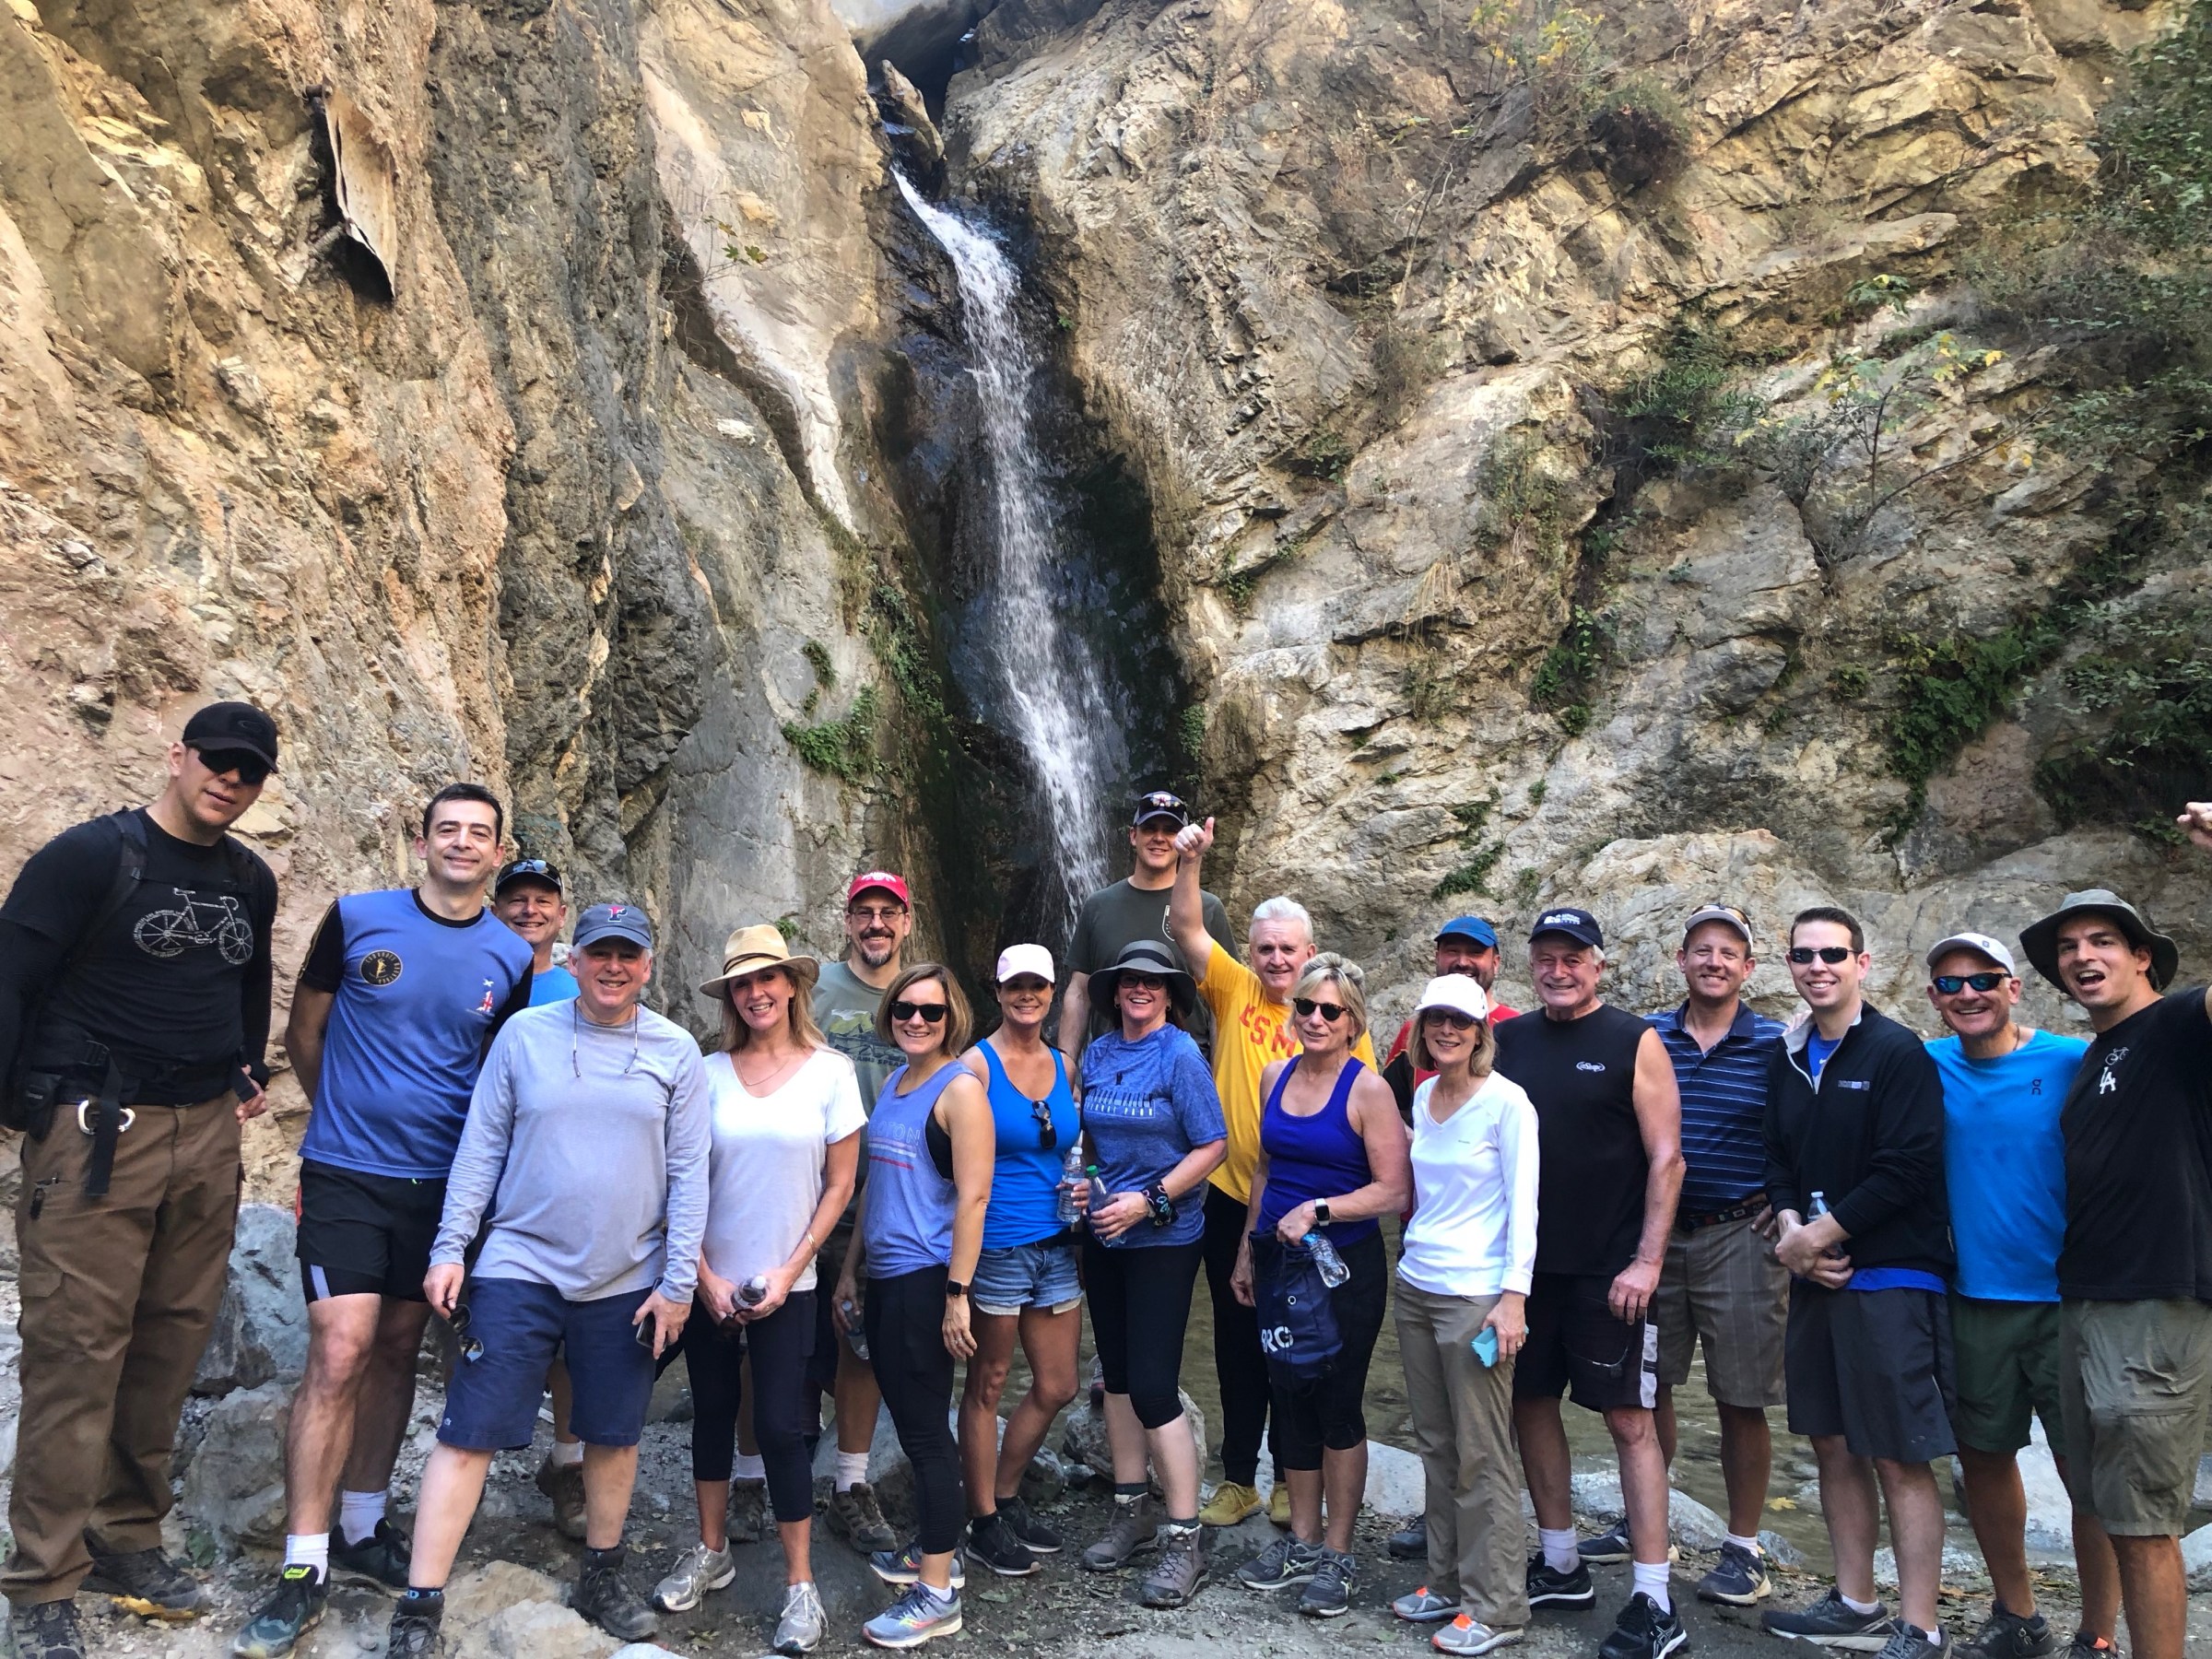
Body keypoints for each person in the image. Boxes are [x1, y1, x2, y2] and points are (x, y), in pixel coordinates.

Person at [0, 703, 282, 1659]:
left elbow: (248, 980)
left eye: (249, 771)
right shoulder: (91, 857)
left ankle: (125, 1536)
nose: (230, 781)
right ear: (177, 757)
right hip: (96, 1130)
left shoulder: (249, 878)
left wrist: (245, 1063)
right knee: (77, 1352)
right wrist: (15, 1106)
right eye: (218, 761)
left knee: (169, 1345)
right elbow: (11, 974)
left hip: (205, 1134)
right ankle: (43, 1578)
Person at [232, 783, 535, 1659]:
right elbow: (306, 1030)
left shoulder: (511, 955)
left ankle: (363, 1526)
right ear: (422, 840)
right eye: (448, 829)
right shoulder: (357, 918)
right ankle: (302, 1564)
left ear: (497, 851)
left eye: (479, 833)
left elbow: (498, 1072)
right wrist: (340, 1117)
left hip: (441, 1185)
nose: (462, 843)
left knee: (400, 1347)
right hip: (347, 1175)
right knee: (340, 1349)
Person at [377, 901, 708, 1654]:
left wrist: (678, 1282)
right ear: (575, 959)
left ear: (647, 965)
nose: (613, 967)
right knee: (469, 1430)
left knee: (613, 1433)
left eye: (628, 954)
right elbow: (481, 1146)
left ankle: (601, 1572)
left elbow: (692, 1173)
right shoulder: (524, 1036)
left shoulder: (676, 1050)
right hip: (519, 1264)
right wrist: (450, 1248)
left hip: (627, 1273)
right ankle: (420, 1604)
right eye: (600, 953)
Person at [2019, 829, 2212, 1659]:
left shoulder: (2176, 1029)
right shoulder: (2100, 1053)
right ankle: (2099, 1641)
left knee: (2145, 1524)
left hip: (2155, 1302)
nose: (2081, 956)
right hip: (2088, 1302)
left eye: (2102, 941)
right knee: (2098, 1503)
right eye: (2068, 947)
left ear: (2143, 958)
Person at [653, 925, 863, 1655]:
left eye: (767, 978)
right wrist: (703, 1277)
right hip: (708, 1279)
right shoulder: (705, 1072)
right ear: (731, 997)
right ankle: (712, 1550)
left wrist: (791, 1267)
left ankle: (800, 1584)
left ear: (793, 985)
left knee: (779, 1425)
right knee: (712, 1415)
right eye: (742, 983)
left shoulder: (832, 1072)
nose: (756, 993)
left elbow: (840, 1185)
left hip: (789, 1281)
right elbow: (680, 1179)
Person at [1168, 817, 1374, 1529]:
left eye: (1288, 949)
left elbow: (1366, 1114)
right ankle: (1238, 1478)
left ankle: (1294, 1477)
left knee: (1306, 1343)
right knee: (1237, 1341)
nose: (1277, 960)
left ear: (1310, 952)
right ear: (1250, 953)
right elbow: (1186, 926)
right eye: (1265, 948)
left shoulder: (1342, 1019)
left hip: (1313, 1207)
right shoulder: (1234, 989)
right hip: (1236, 1195)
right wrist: (1190, 862)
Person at [1492, 907, 1687, 1659]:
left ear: (1598, 965)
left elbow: (1667, 1158)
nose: (1558, 970)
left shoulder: (1633, 1040)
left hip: (1612, 1271)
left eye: (1573, 958)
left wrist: (1648, 1261)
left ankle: (1654, 1599)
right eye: (1546, 957)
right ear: (1530, 965)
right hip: (1526, 1269)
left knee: (1631, 1421)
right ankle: (1562, 1561)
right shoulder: (1509, 1041)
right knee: (1530, 1402)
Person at [1760, 907, 1955, 1658]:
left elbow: (1908, 1168)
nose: (1818, 967)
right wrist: (1791, 1230)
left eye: (1833, 954)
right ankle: (1855, 1603)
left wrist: (1816, 1236)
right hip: (1817, 1278)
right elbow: (1776, 1156)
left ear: (1862, 963)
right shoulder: (1788, 1056)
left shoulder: (1897, 1052)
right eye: (1804, 955)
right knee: (1833, 1444)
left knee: (1898, 1452)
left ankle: (1922, 1626)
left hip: (1892, 1277)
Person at [1924, 930, 2119, 1659]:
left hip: (2070, 1299)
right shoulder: (1925, 1066)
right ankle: (2018, 1615)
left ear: (2014, 987)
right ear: (1934, 999)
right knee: (1983, 1458)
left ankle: (2097, 1633)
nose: (1968, 993)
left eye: (1983, 979)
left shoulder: (2073, 1060)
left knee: (2086, 1474)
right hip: (1974, 1296)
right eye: (1951, 984)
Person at [1613, 902, 1787, 1608]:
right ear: (1681, 960)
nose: (1714, 962)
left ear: (1749, 967)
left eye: (1728, 952)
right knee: (1647, 1388)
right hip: (1654, 1237)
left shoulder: (1778, 1043)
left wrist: (1792, 1199)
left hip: (1740, 1235)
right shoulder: (1647, 1037)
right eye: (1702, 949)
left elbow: (1808, 1127)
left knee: (1741, 1397)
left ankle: (1743, 1548)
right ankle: (1647, 1521)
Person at [1230, 956, 1410, 1618]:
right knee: (1289, 1396)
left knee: (1338, 1403)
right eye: (1305, 1006)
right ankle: (1302, 1543)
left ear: (1352, 1021)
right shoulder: (1275, 1076)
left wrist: (1320, 1210)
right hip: (1280, 1265)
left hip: (1344, 1270)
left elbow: (1394, 1190)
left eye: (1329, 1010)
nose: (1314, 1019)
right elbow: (1264, 1171)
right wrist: (1246, 1253)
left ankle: (1338, 1552)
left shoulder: (1368, 1091)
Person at [835, 963, 994, 1651]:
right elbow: (876, 1185)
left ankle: (937, 1593)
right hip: (888, 1277)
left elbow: (974, 1197)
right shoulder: (899, 1083)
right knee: (912, 1424)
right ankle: (935, 1550)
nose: (917, 1021)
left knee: (927, 1433)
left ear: (951, 1016)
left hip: (929, 1279)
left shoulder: (960, 1090)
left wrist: (957, 1296)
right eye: (905, 1009)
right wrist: (850, 1269)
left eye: (932, 1011)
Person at [1071, 940, 1229, 1608]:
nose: (1141, 989)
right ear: (1115, 991)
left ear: (1169, 994)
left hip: (1165, 1236)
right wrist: (1089, 1184)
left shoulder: (1181, 1055)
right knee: (1116, 1377)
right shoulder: (1099, 1053)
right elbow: (1091, 1142)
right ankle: (1131, 1509)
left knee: (1156, 1387)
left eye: (1154, 982)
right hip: (1106, 1235)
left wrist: (1151, 1199)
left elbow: (1213, 1144)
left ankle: (1185, 1538)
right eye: (1130, 980)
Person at [1387, 974, 1537, 1658]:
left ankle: (1497, 1604)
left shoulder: (1508, 1104)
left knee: (1483, 1452)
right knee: (1436, 1442)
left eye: (1460, 1020)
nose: (1446, 1030)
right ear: (1422, 1027)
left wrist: (1514, 1298)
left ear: (1481, 1032)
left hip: (1476, 1296)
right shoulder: (1424, 1096)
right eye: (1435, 1019)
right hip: (1417, 1284)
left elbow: (1525, 1206)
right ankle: (1447, 1581)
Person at [956, 945, 1083, 1576]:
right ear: (999, 992)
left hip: (1057, 1243)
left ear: (1053, 993)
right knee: (989, 1382)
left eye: (1037, 986)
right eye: (1015, 986)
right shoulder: (975, 1066)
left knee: (1059, 1384)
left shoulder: (1064, 1064)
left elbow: (1073, 1149)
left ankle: (1003, 1497)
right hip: (998, 1244)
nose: (1026, 996)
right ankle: (982, 1519)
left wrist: (1086, 1187)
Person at [812, 869, 914, 1555]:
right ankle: (760, 1477)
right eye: (864, 912)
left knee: (862, 1341)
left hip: (887, 1196)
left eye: (888, 912)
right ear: (848, 921)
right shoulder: (815, 988)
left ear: (906, 922)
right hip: (809, 1188)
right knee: (781, 1336)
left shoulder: (922, 996)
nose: (876, 923)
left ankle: (850, 1484)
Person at [489, 855, 588, 1535]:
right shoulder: (476, 977)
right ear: (497, 909)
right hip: (482, 1172)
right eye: (517, 899)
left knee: (572, 1329)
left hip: (560, 1178)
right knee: (473, 1326)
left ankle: (569, 1464)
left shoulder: (578, 986)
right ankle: (466, 1455)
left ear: (561, 913)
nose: (529, 910)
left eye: (542, 900)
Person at [1058, 791, 1237, 1080]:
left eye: (1170, 830)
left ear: (1182, 839)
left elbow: (1224, 1003)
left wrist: (1221, 1080)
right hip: (1109, 1072)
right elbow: (1079, 992)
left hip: (1187, 1071)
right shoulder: (1098, 906)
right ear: (1133, 836)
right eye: (1150, 828)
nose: (1159, 838)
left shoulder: (1207, 909)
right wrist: (1064, 1072)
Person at [1381, 915, 1523, 1119]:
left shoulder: (1518, 1029)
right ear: (1437, 958)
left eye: (1475, 953)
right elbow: (1389, 1108)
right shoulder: (1413, 1032)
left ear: (1495, 963)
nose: (1462, 962)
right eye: (1452, 951)